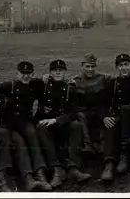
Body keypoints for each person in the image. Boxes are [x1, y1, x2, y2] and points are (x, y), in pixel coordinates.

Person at [34, 59, 92, 189]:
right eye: (55, 70)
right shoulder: (43, 87)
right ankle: (57, 170)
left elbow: (73, 112)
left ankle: (74, 169)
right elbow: (27, 84)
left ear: (65, 72)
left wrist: (57, 120)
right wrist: (41, 78)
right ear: (50, 73)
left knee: (76, 125)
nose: (58, 73)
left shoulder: (70, 89)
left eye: (61, 70)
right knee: (40, 127)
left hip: (61, 123)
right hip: (47, 125)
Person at [0, 61, 52, 190]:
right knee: (20, 142)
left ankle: (40, 174)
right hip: (9, 124)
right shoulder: (8, 86)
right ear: (17, 73)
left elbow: (50, 86)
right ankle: (28, 177)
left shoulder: (35, 85)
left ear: (33, 74)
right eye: (23, 73)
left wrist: (47, 78)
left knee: (33, 134)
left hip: (24, 122)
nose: (26, 76)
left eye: (29, 74)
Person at [98, 54, 130, 182]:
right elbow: (102, 103)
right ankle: (109, 163)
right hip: (118, 115)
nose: (124, 68)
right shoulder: (112, 83)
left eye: (126, 65)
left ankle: (124, 157)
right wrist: (104, 116)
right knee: (111, 124)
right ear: (116, 67)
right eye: (121, 65)